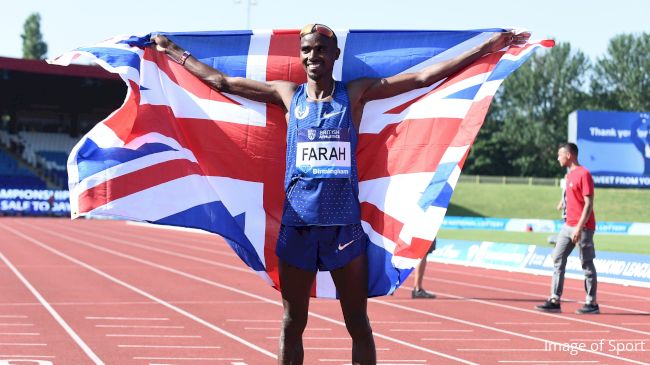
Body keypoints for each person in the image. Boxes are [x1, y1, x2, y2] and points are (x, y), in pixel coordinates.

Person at [152, 25, 520, 364]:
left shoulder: (355, 93)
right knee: (292, 322)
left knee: (357, 323)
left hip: (343, 228)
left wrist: (486, 47)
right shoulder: (287, 94)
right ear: (301, 56)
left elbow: (423, 77)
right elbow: (222, 82)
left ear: (336, 54)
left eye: (322, 50)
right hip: (298, 225)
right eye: (308, 51)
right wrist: (172, 51)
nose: (314, 57)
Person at [536, 142, 599, 315]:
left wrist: (579, 227)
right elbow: (571, 194)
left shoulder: (584, 174)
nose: (558, 158)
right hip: (567, 226)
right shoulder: (569, 176)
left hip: (583, 227)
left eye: (559, 155)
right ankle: (555, 299)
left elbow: (588, 204)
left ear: (569, 155)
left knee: (586, 263)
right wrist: (563, 201)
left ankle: (591, 303)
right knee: (557, 257)